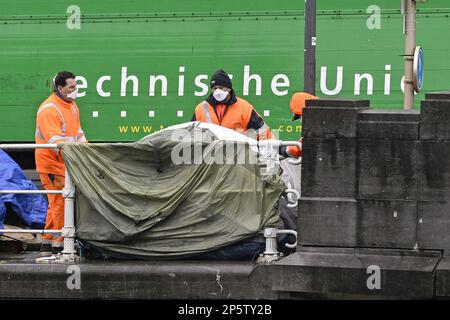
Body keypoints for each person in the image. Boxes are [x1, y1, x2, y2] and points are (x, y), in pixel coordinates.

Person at [35, 71, 87, 253]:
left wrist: (85, 149)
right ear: (60, 88)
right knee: (59, 202)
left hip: (64, 163)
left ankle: (48, 239)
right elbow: (54, 141)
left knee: (55, 201)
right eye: (71, 87)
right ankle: (60, 242)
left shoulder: (71, 106)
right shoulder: (50, 109)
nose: (75, 90)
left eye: (76, 86)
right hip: (51, 164)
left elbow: (78, 133)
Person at [192, 69, 273, 140]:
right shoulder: (200, 109)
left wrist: (279, 148)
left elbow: (263, 132)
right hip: (210, 155)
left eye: (221, 87)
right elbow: (191, 134)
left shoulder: (244, 108)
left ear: (229, 88)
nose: (217, 91)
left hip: (237, 155)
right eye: (214, 88)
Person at [279, 91, 318, 158]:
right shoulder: (320, 118)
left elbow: (301, 147)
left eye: (300, 116)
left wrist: (283, 150)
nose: (300, 120)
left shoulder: (316, 125)